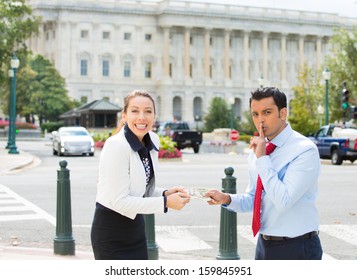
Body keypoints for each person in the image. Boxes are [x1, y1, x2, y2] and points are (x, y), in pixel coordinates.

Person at [204, 87, 323, 260]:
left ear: (283, 113)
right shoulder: (259, 150)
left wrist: (262, 159)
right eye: (255, 114)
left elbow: (283, 200)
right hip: (264, 245)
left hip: (298, 246)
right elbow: (255, 198)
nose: (260, 121)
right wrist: (227, 199)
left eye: (267, 112)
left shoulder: (304, 150)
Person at [91, 89, 190, 260]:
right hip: (110, 233)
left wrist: (166, 193)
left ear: (155, 116)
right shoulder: (116, 145)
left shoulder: (152, 139)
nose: (141, 117)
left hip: (135, 229)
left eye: (148, 111)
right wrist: (165, 202)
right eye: (135, 111)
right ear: (124, 116)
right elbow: (120, 201)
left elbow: (141, 188)